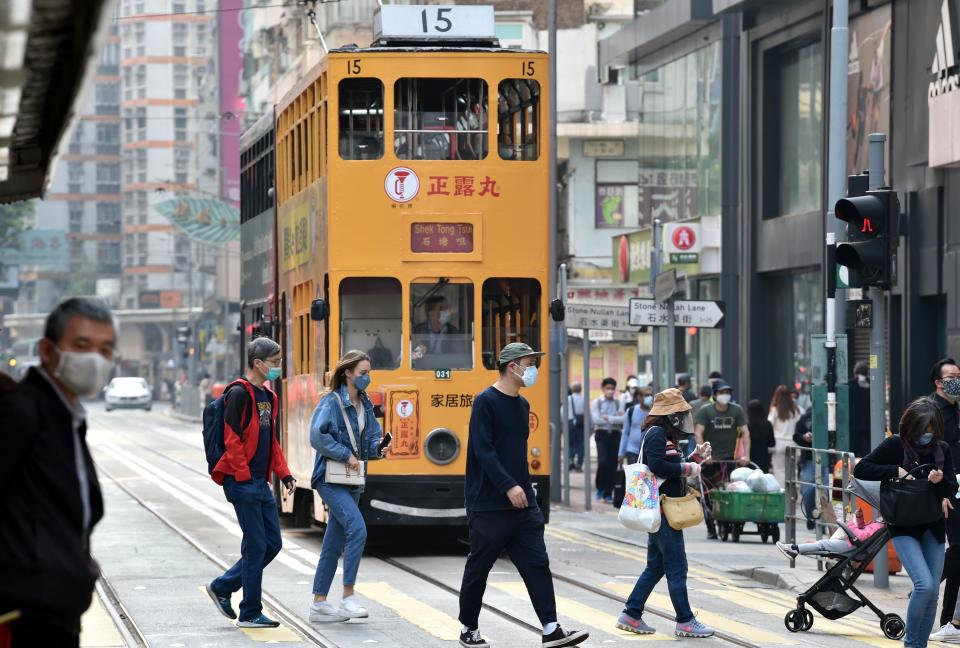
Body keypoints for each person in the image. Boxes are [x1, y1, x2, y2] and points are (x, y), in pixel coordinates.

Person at [0, 297, 116, 647]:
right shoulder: (20, 412)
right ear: (48, 351)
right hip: (22, 617)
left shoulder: (66, 418)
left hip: (55, 614)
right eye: (81, 346)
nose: (94, 359)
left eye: (105, 349)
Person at [458, 343, 588, 648]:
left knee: (537, 564)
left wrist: (526, 492)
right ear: (512, 366)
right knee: (479, 568)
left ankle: (551, 629)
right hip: (489, 504)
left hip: (521, 505)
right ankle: (469, 628)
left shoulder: (523, 405)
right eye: (530, 363)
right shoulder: (485, 402)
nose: (534, 370)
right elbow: (484, 451)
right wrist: (507, 485)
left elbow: (517, 455)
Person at [854, 397, 958, 648]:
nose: (926, 436)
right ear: (910, 426)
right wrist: (894, 471)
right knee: (923, 585)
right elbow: (861, 469)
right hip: (902, 525)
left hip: (932, 526)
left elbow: (952, 487)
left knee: (933, 592)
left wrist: (939, 481)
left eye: (931, 431)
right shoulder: (895, 445)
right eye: (922, 430)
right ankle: (911, 645)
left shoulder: (942, 449)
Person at [206, 337, 295, 629]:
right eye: (275, 362)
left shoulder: (269, 397)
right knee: (257, 545)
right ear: (258, 363)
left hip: (260, 482)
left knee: (272, 543)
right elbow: (232, 438)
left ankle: (223, 586)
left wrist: (284, 473)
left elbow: (271, 443)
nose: (279, 367)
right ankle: (250, 611)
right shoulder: (240, 394)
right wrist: (243, 476)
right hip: (241, 481)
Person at [615, 388, 715, 639]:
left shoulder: (665, 435)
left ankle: (631, 613)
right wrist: (688, 467)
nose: (684, 418)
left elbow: (667, 464)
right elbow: (658, 466)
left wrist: (695, 457)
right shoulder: (657, 433)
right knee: (677, 566)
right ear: (670, 415)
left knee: (656, 567)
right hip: (662, 510)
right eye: (680, 413)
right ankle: (685, 620)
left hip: (662, 509)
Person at [309, 350, 390, 622]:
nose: (367, 377)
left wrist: (379, 450)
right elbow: (317, 437)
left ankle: (319, 603)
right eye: (362, 373)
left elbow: (369, 444)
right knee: (357, 529)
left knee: (334, 541)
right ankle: (348, 596)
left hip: (353, 480)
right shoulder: (331, 402)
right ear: (348, 373)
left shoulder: (366, 404)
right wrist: (346, 455)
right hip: (330, 479)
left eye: (369, 372)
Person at [695, 381, 750, 539]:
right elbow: (698, 433)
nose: (725, 395)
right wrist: (705, 455)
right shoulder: (706, 412)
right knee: (708, 494)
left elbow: (745, 432)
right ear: (715, 395)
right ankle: (711, 526)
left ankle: (725, 523)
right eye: (721, 392)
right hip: (709, 460)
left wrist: (746, 455)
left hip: (728, 460)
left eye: (727, 391)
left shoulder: (736, 410)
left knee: (728, 492)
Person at [930, 359, 960, 632]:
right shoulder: (930, 411)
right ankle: (927, 582)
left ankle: (948, 622)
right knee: (959, 548)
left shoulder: (957, 408)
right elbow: (925, 454)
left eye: (959, 376)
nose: (957, 381)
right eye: (951, 376)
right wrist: (940, 493)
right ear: (939, 382)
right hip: (947, 491)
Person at [776, 507, 884, 559]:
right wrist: (858, 518)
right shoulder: (878, 523)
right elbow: (863, 531)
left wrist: (851, 523)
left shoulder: (878, 525)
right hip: (851, 544)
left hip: (851, 546)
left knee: (822, 545)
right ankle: (804, 547)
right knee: (822, 545)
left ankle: (794, 549)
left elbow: (859, 536)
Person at [792, 407, 827, 531]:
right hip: (809, 459)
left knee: (828, 491)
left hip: (830, 461)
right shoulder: (806, 417)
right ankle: (811, 517)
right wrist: (804, 437)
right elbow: (796, 435)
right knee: (806, 489)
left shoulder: (836, 414)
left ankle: (824, 521)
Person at [591, 377, 624, 503]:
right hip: (601, 434)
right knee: (603, 461)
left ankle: (608, 493)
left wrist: (608, 418)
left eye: (612, 389)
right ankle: (600, 488)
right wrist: (614, 418)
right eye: (608, 388)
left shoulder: (617, 402)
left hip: (614, 435)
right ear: (603, 389)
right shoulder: (597, 402)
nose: (610, 391)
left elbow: (622, 419)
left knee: (612, 464)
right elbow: (596, 420)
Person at [412, 295, 463, 366]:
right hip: (423, 371)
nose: (447, 312)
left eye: (447, 309)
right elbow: (411, 356)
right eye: (442, 309)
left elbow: (460, 356)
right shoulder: (417, 330)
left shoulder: (453, 331)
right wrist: (418, 352)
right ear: (430, 312)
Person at [768, 385, 800, 477]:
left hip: (778, 443)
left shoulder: (774, 410)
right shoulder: (795, 411)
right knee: (793, 470)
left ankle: (783, 491)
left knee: (779, 470)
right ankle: (793, 491)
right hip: (793, 443)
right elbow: (799, 426)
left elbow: (769, 424)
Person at [619, 386, 654, 466]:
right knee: (635, 478)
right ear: (640, 397)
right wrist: (621, 453)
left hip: (649, 452)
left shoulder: (655, 412)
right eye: (646, 395)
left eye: (651, 395)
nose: (649, 397)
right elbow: (625, 432)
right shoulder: (631, 411)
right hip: (632, 452)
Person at [848, 361, 872, 458]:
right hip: (868, 426)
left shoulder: (849, 385)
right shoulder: (873, 385)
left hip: (852, 425)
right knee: (866, 454)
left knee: (851, 455)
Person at [746, 399, 775, 473]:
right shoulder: (768, 424)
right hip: (764, 455)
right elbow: (772, 443)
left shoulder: (747, 425)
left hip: (750, 455)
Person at [567, 383, 585, 472]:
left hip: (570, 423)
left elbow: (563, 412)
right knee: (580, 444)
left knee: (570, 443)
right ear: (580, 389)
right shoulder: (583, 399)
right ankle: (579, 464)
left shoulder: (568, 399)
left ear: (572, 389)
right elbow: (588, 413)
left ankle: (570, 460)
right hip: (581, 423)